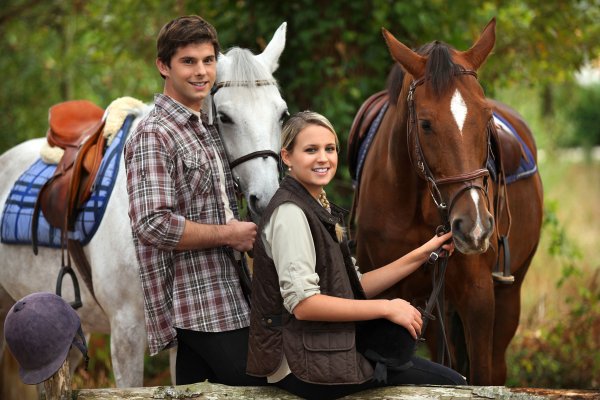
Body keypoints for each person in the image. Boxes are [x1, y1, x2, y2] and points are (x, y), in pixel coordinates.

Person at [246, 111, 466, 399]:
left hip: (322, 348)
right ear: (286, 157)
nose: (323, 158)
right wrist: (387, 308)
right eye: (310, 150)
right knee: (452, 385)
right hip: (301, 362)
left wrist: (426, 251)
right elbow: (304, 304)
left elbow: (353, 285)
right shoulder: (291, 213)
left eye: (329, 149)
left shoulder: (315, 205)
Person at [124, 15, 264, 386]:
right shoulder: (153, 134)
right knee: (269, 383)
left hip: (231, 295)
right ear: (163, 66)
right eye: (188, 61)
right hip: (198, 306)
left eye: (208, 60)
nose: (201, 72)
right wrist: (228, 235)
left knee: (197, 393)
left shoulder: (205, 128)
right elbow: (152, 223)